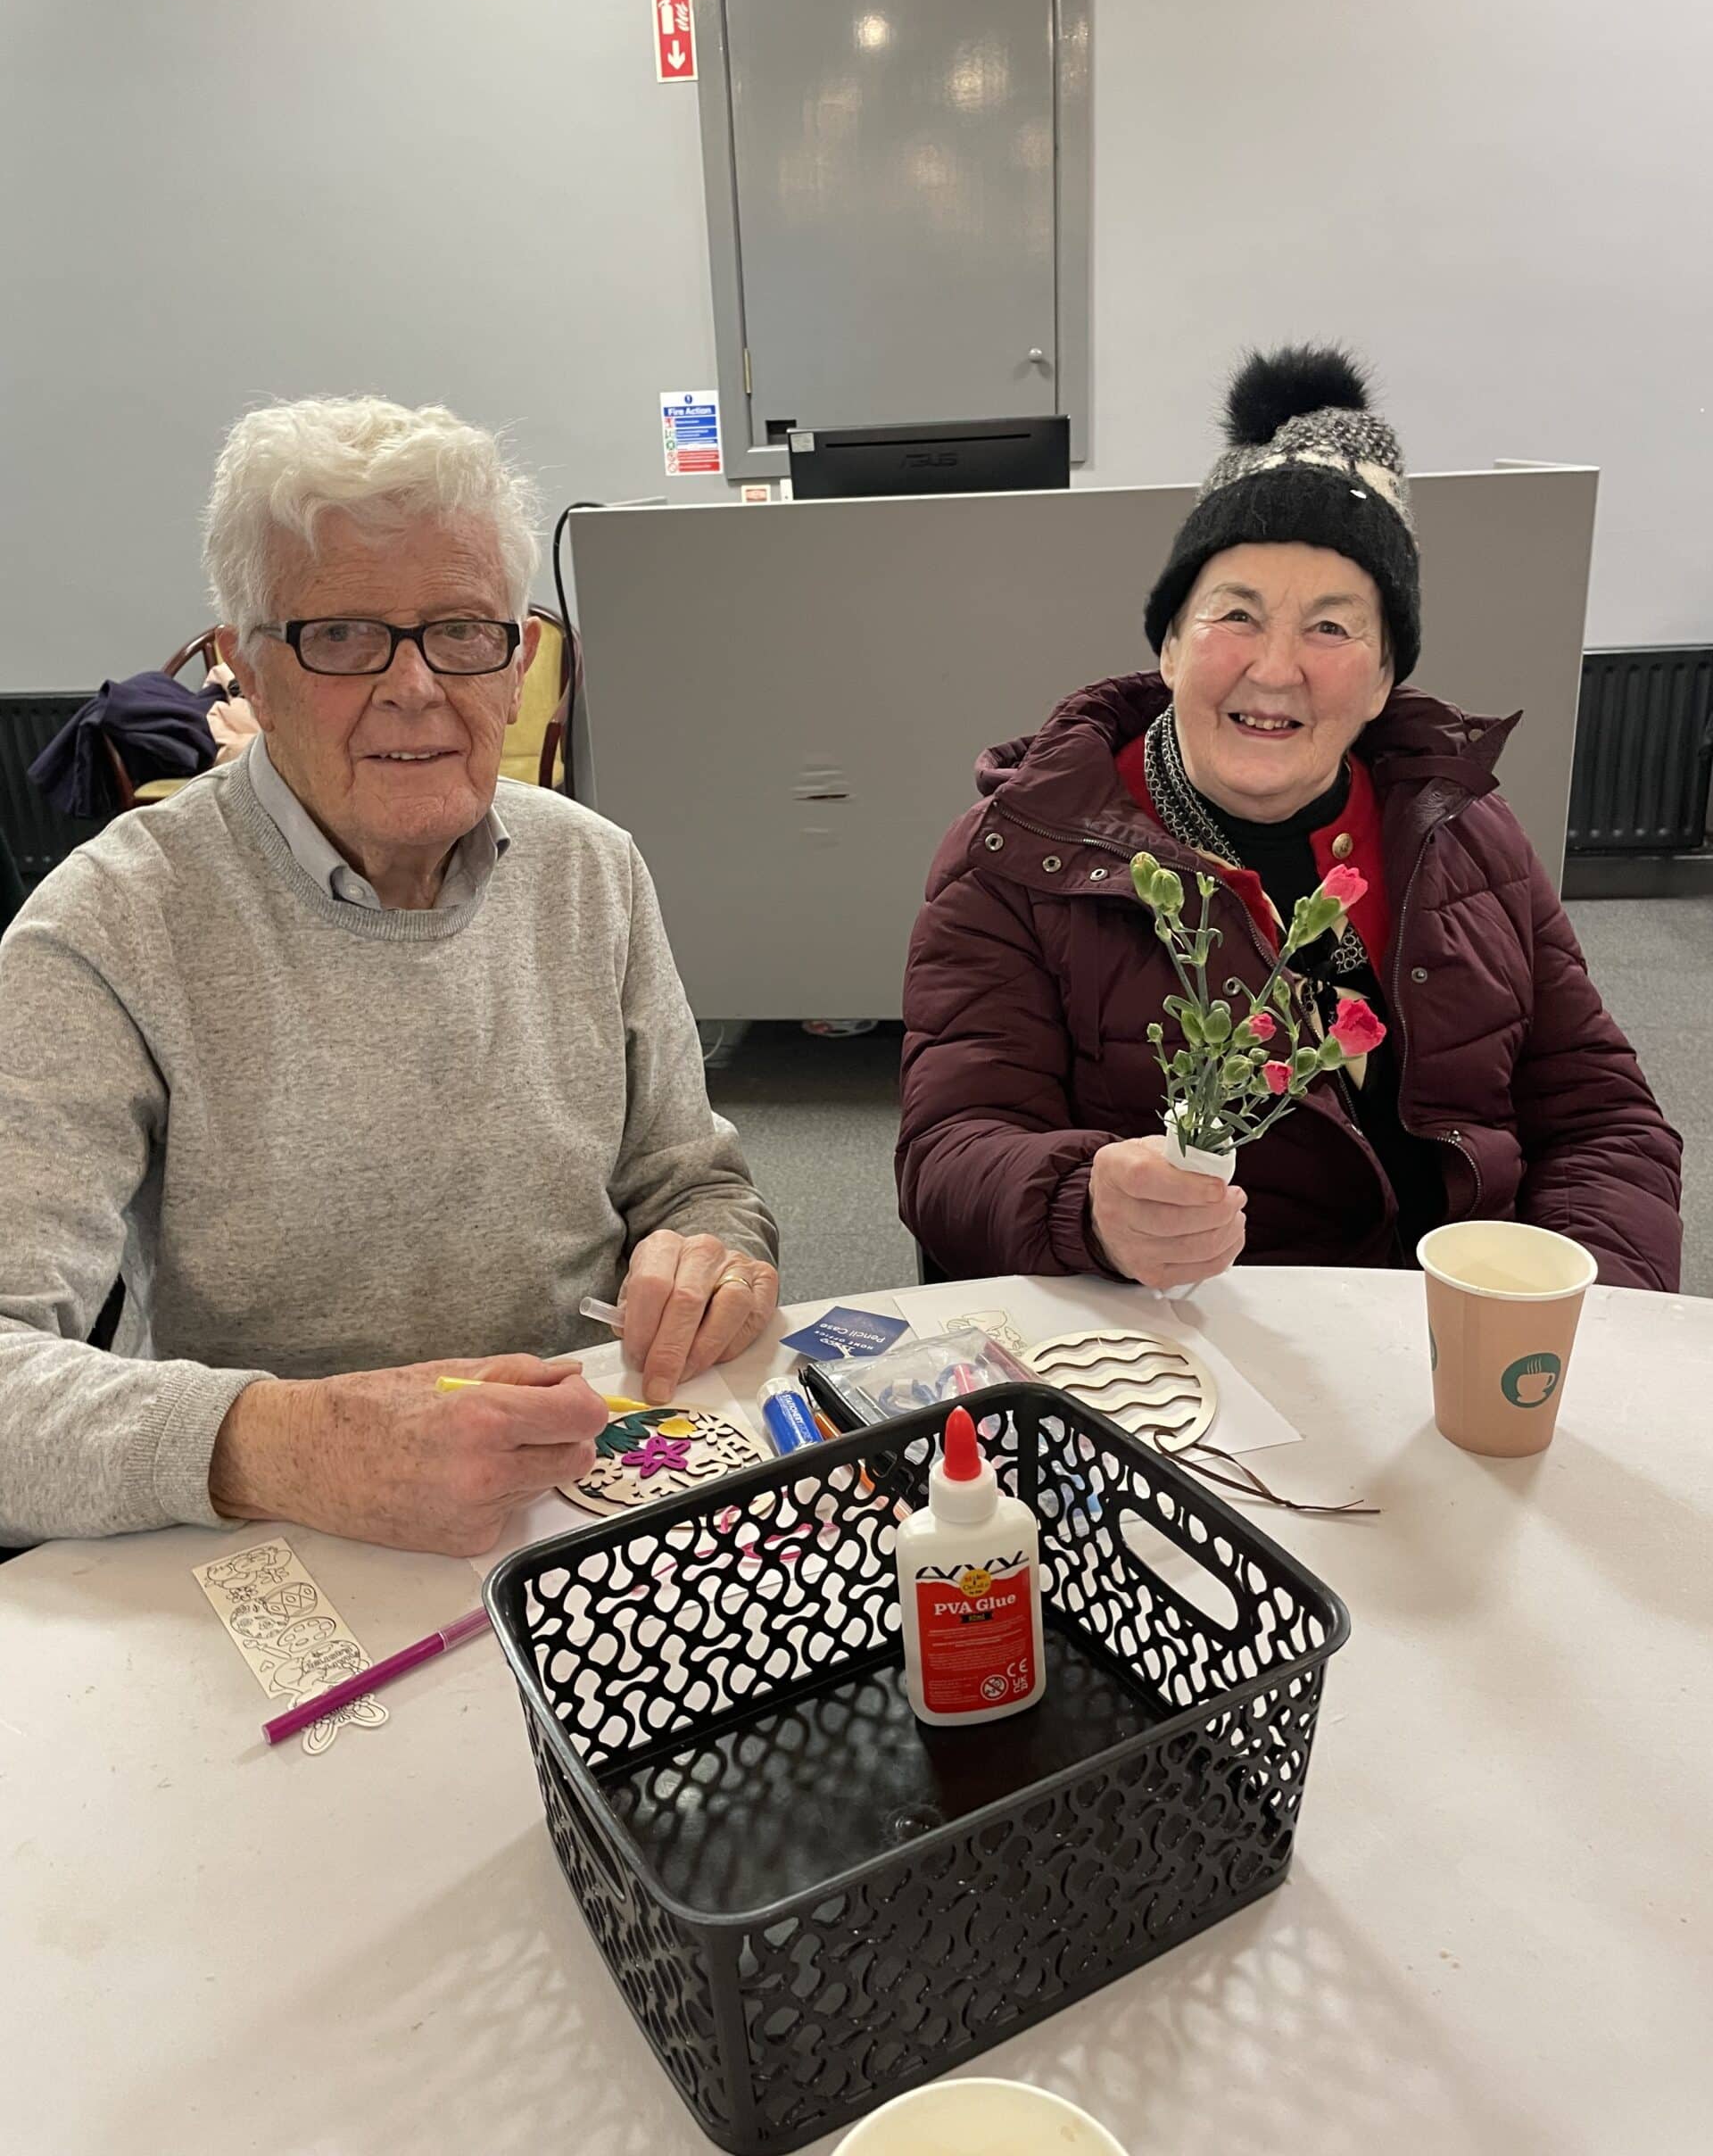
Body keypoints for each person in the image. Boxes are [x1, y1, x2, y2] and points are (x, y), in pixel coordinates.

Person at [0, 396, 779, 1553]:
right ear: (243, 670)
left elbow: (694, 1186)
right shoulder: (105, 930)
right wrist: (289, 1444)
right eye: (345, 636)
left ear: (516, 662)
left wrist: (718, 1255)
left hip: (589, 1501)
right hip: (278, 1542)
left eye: (463, 629)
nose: (416, 687)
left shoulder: (592, 871)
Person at [898, 346, 1683, 1293]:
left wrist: (1581, 1321)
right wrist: (1084, 1204)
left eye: (1332, 627)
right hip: (1188, 1365)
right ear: (1171, 644)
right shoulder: (1020, 853)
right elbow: (950, 1152)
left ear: (1387, 679)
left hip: (1455, 1350)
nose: (1274, 669)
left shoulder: (1465, 833)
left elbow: (1603, 1119)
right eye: (1236, 614)